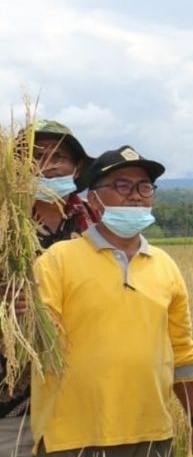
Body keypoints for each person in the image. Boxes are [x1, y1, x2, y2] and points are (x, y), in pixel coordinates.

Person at [31, 146, 193, 456]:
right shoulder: (56, 261)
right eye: (122, 185)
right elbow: (39, 341)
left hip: (152, 435)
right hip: (73, 438)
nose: (136, 195)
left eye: (144, 186)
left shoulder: (165, 265)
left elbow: (182, 353)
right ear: (93, 199)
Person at [1, 120, 96, 457]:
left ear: (78, 167)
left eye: (59, 157)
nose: (46, 166)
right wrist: (7, 303)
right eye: (33, 157)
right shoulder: (4, 225)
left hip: (81, 388)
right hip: (14, 397)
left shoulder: (96, 224)